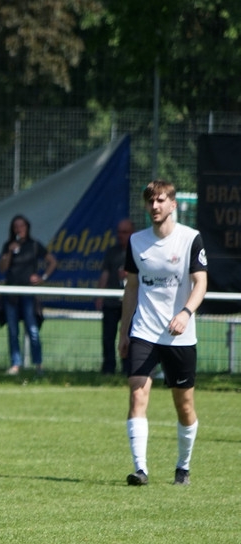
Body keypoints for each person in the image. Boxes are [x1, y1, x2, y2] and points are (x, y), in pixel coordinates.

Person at [119, 180, 207, 487]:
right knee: (137, 393)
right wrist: (124, 331)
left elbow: (201, 283)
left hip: (180, 336)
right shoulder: (136, 241)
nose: (154, 206)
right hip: (144, 331)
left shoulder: (190, 238)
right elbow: (131, 287)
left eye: (160, 200)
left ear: (173, 204)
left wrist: (185, 313)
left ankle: (183, 466)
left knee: (184, 406)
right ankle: (140, 470)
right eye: (150, 201)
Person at [0, 214, 57, 376]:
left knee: (33, 330)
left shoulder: (34, 245)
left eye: (22, 226)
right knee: (13, 331)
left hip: (28, 294)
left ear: (27, 227)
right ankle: (15, 364)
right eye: (16, 226)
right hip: (11, 293)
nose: (19, 229)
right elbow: (2, 268)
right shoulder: (8, 245)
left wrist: (43, 277)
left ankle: (38, 365)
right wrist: (9, 253)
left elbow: (52, 261)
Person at [97, 218, 133, 374]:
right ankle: (108, 368)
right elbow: (105, 274)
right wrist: (100, 295)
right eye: (119, 232)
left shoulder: (138, 251)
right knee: (108, 336)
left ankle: (128, 368)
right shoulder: (112, 251)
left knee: (130, 336)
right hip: (111, 301)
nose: (121, 235)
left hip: (130, 302)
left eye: (124, 232)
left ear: (132, 233)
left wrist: (129, 274)